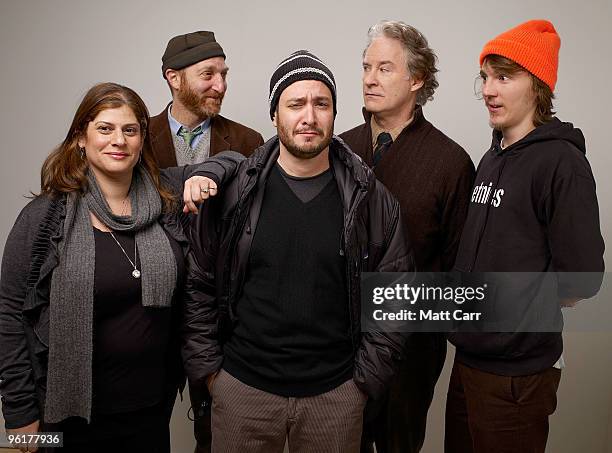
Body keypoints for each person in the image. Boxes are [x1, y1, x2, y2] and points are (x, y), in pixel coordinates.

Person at [181, 50, 414, 453]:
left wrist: (363, 384)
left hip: (336, 395)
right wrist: (212, 375)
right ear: (275, 114)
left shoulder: (371, 198)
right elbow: (198, 283)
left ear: (335, 113)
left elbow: (396, 298)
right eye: (296, 104)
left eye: (321, 103)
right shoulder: (236, 190)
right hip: (242, 390)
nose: (309, 116)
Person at [0, 82, 213, 453]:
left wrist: (205, 178)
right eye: (105, 128)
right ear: (81, 137)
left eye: (130, 130)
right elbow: (8, 314)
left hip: (148, 410)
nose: (119, 140)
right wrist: (19, 414)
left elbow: (234, 162)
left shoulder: (166, 201)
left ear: (142, 139)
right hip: (62, 417)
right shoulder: (45, 217)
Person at [446, 20, 605, 453]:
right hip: (471, 360)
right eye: (485, 77)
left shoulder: (560, 163)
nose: (490, 90)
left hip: (515, 373)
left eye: (504, 76)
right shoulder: (492, 156)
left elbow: (583, 278)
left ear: (536, 85)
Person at [340, 21, 475, 453]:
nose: (368, 79)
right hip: (336, 343)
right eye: (365, 67)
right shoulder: (337, 150)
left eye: (384, 68)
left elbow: (458, 273)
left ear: (417, 79)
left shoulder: (451, 162)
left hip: (411, 352)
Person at [151, 30, 263, 170]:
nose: (221, 87)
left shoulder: (248, 142)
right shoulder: (140, 138)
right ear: (174, 79)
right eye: (207, 74)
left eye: (223, 74)